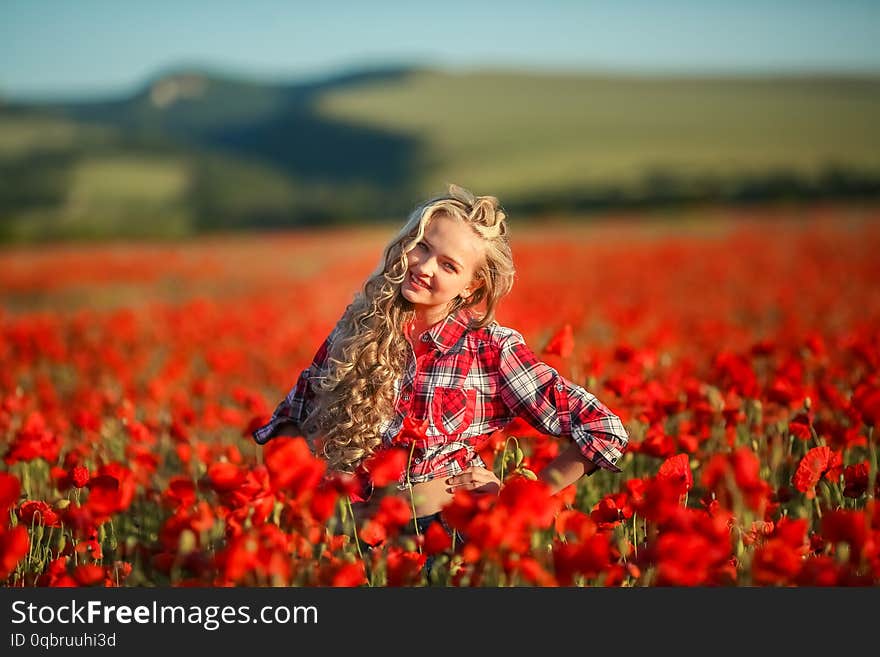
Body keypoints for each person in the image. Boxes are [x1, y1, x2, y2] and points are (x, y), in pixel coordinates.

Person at [252, 183, 629, 547]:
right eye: (422, 247)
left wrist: (522, 498)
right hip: (352, 542)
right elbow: (291, 417)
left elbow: (603, 429)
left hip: (443, 541)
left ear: (472, 286)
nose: (425, 267)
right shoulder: (358, 329)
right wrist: (324, 502)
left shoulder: (490, 349)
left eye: (448, 265)